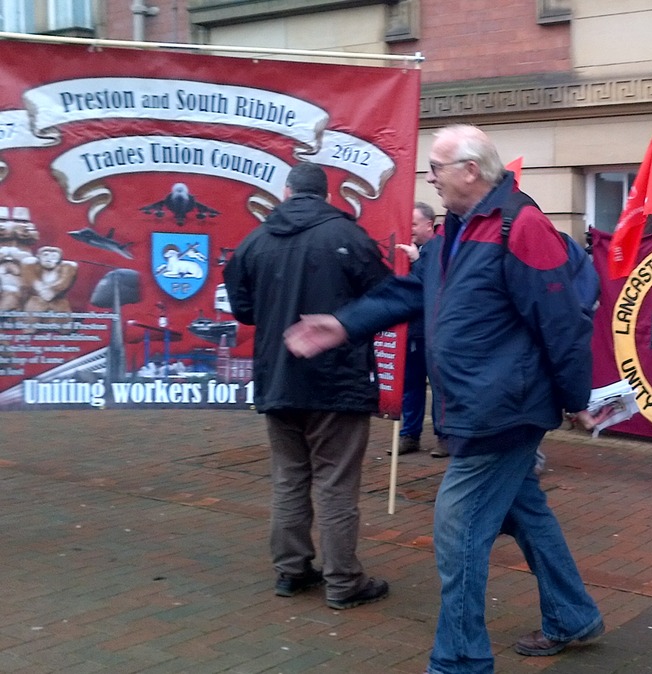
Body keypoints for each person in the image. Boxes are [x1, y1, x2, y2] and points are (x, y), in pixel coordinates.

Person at [284, 124, 603, 674]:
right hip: (474, 405)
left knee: (457, 530)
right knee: (525, 515)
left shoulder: (520, 226)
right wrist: (343, 324)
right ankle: (573, 615)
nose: (429, 177)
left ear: (471, 171)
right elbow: (409, 290)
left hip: (504, 411)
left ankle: (459, 660)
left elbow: (562, 322)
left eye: (437, 168)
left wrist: (577, 398)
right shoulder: (456, 229)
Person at [223, 162, 391, 610]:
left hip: (278, 374)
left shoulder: (256, 240)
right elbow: (385, 298)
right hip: (338, 379)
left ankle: (291, 570)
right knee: (335, 483)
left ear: (287, 191)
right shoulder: (350, 237)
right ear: (326, 194)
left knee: (289, 477)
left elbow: (242, 308)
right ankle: (343, 581)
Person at [396, 201, 449, 457]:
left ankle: (444, 436)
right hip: (411, 330)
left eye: (414, 224)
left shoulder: (441, 248)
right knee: (410, 386)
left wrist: (417, 261)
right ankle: (409, 435)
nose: (411, 229)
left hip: (435, 332)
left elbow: (433, 285)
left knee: (439, 387)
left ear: (429, 224)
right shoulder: (406, 248)